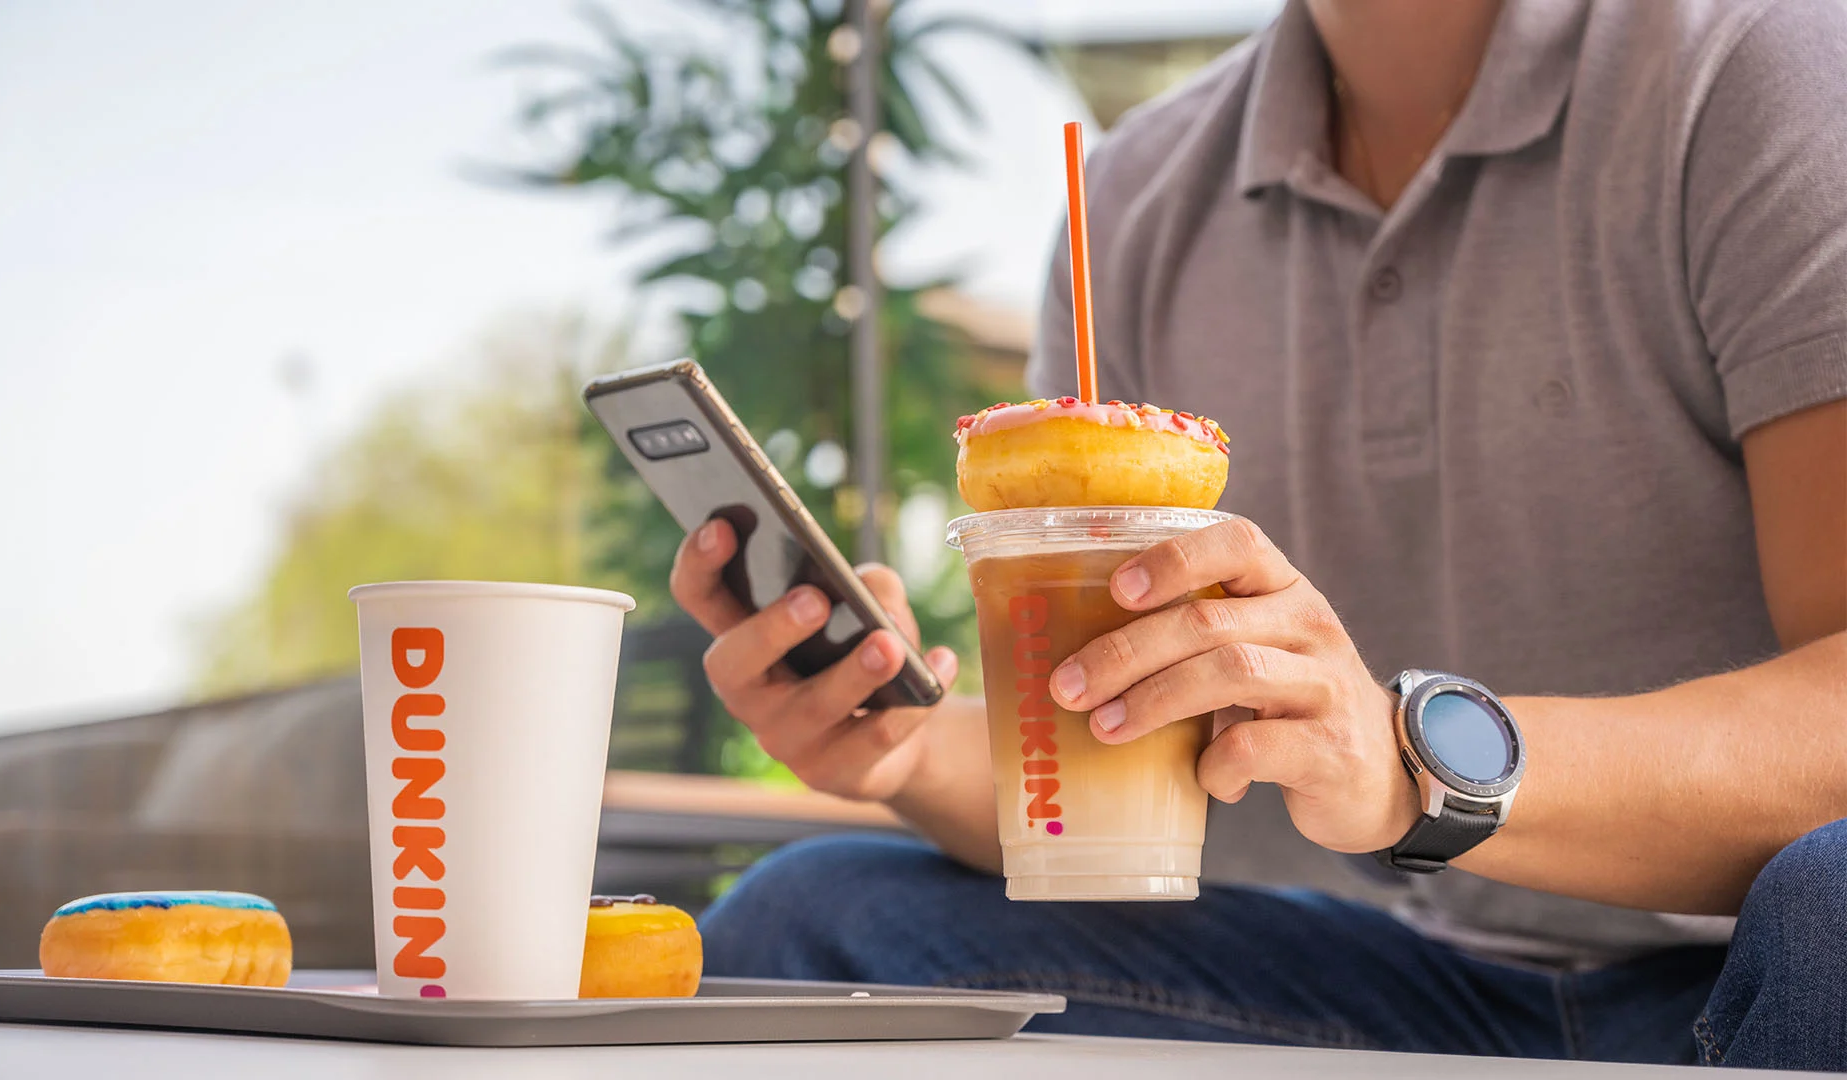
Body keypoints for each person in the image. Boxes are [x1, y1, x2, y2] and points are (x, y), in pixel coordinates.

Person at [675, 0, 1847, 1068]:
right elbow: (1113, 751)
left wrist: (1409, 763)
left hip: (1735, 966)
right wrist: (906, 743)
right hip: (1389, 970)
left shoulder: (1754, 66)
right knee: (806, 915)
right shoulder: (1134, 197)